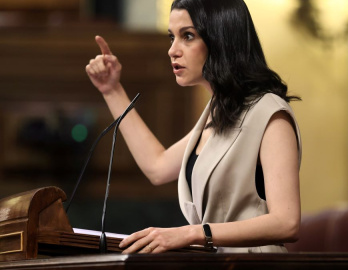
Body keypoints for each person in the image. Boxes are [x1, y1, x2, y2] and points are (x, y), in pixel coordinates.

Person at [85, 0, 302, 254]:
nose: (172, 50)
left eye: (187, 36)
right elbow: (157, 166)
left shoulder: (269, 113)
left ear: (221, 39)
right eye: (171, 37)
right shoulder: (218, 112)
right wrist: (112, 90)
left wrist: (192, 233)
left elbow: (287, 222)